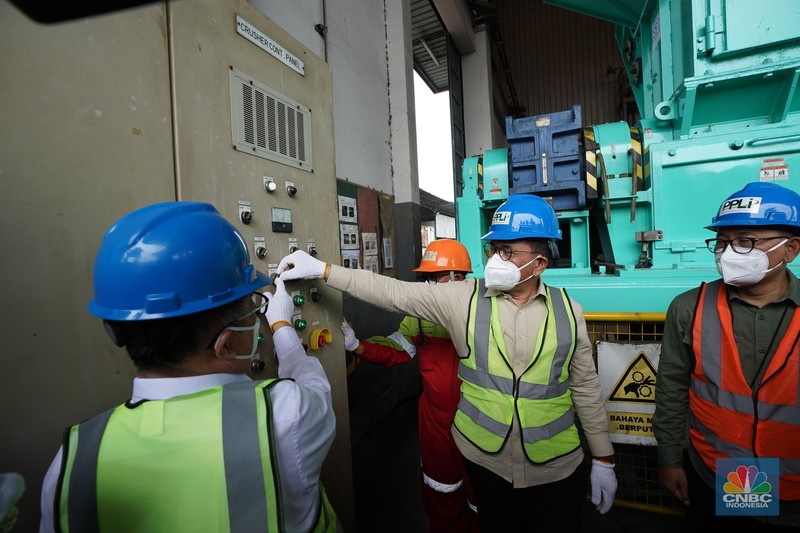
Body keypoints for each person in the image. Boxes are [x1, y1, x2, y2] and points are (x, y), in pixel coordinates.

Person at [278, 193, 617, 532]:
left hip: (555, 466)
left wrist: (603, 457)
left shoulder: (568, 311)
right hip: (486, 461)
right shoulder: (464, 298)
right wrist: (324, 271)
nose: (496, 259)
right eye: (494, 249)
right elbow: (396, 293)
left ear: (540, 263)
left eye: (508, 251)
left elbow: (585, 387)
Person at [39, 202, 338, 532]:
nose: (257, 317)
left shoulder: (73, 459)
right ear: (227, 344)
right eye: (253, 309)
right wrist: (281, 324)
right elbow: (314, 385)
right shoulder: (286, 413)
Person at [655, 181, 800, 530]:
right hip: (728, 473)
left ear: (790, 249)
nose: (729, 252)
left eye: (746, 241)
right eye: (722, 242)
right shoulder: (689, 308)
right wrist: (670, 459)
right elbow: (672, 389)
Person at [342, 239, 480, 532]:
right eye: (426, 278)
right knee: (440, 490)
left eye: (437, 276)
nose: (430, 284)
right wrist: (357, 346)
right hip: (435, 421)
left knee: (482, 496)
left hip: (482, 420)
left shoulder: (484, 310)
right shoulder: (418, 318)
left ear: (459, 276)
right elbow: (396, 349)